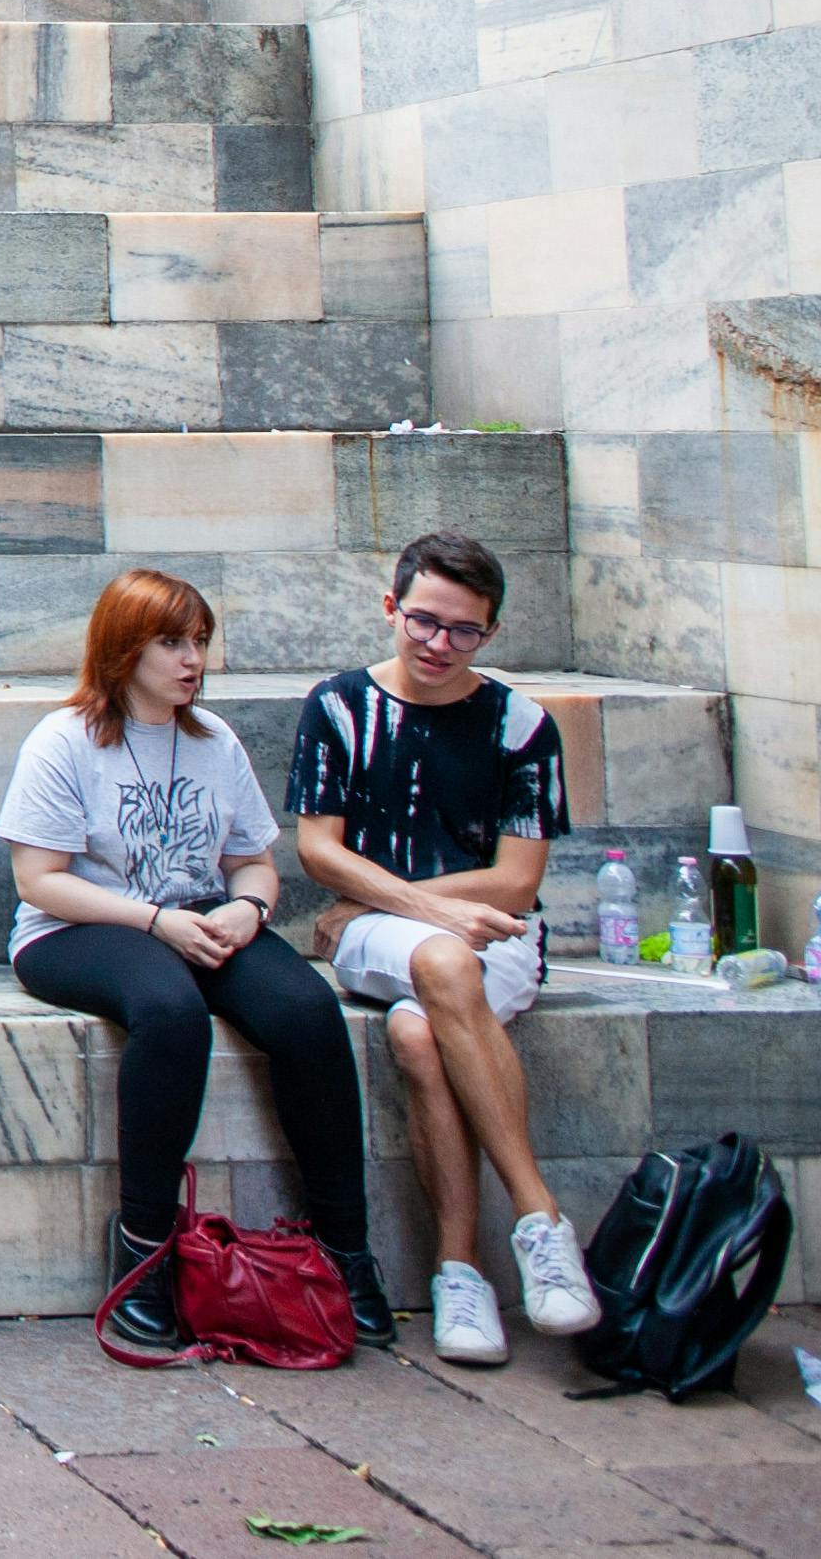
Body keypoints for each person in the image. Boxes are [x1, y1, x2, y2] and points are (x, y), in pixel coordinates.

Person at [0, 568, 392, 1359]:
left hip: (203, 921)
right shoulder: (64, 740)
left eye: (200, 642)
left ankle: (343, 1252)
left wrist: (246, 910)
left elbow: (251, 863)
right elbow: (38, 880)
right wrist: (155, 921)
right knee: (171, 1014)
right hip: (75, 929)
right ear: (123, 649)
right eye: (171, 642)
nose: (192, 660)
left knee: (306, 1012)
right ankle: (143, 1249)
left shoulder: (213, 741)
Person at [289, 531, 599, 1369]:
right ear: (390, 608)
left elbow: (513, 880)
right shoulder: (340, 707)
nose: (436, 644)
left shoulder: (519, 724)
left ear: (488, 634)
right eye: (422, 621)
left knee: (418, 1033)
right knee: (439, 959)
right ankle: (539, 1218)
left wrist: (385, 896)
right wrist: (416, 909)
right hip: (382, 937)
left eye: (462, 630)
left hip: (491, 932)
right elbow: (318, 850)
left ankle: (457, 1272)